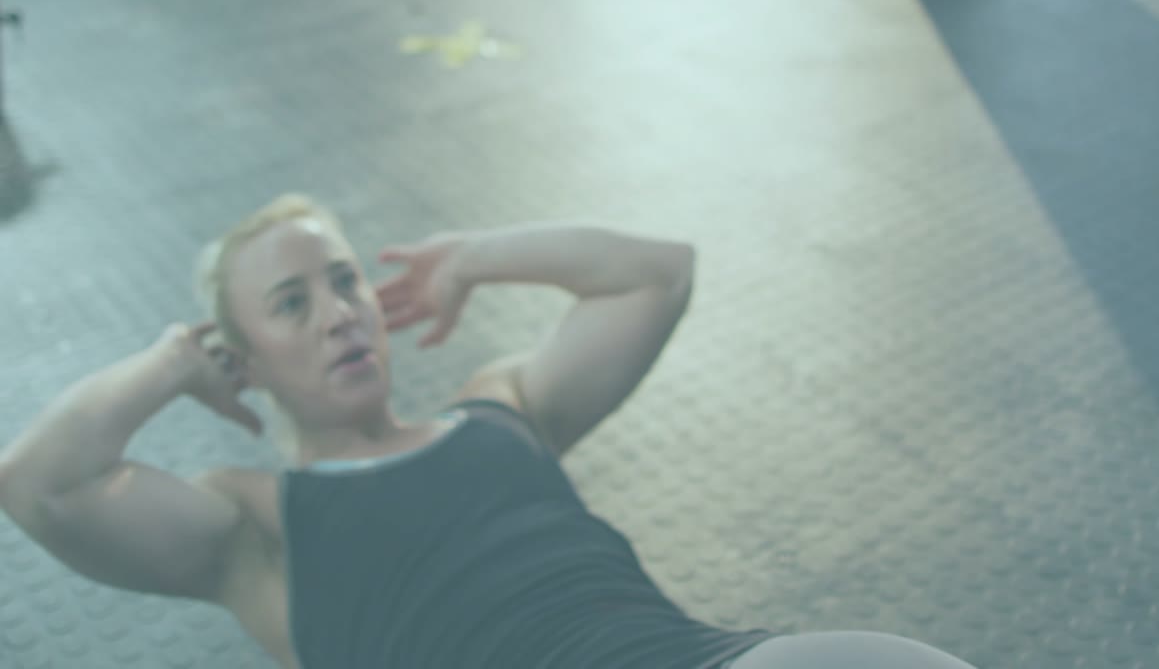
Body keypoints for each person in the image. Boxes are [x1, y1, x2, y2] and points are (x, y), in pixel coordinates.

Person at [0, 194, 976, 668]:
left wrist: (475, 255)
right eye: (292, 303)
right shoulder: (255, 529)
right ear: (241, 356)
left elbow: (657, 273)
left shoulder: (499, 408)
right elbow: (41, 482)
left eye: (344, 280)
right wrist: (175, 361)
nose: (340, 311)